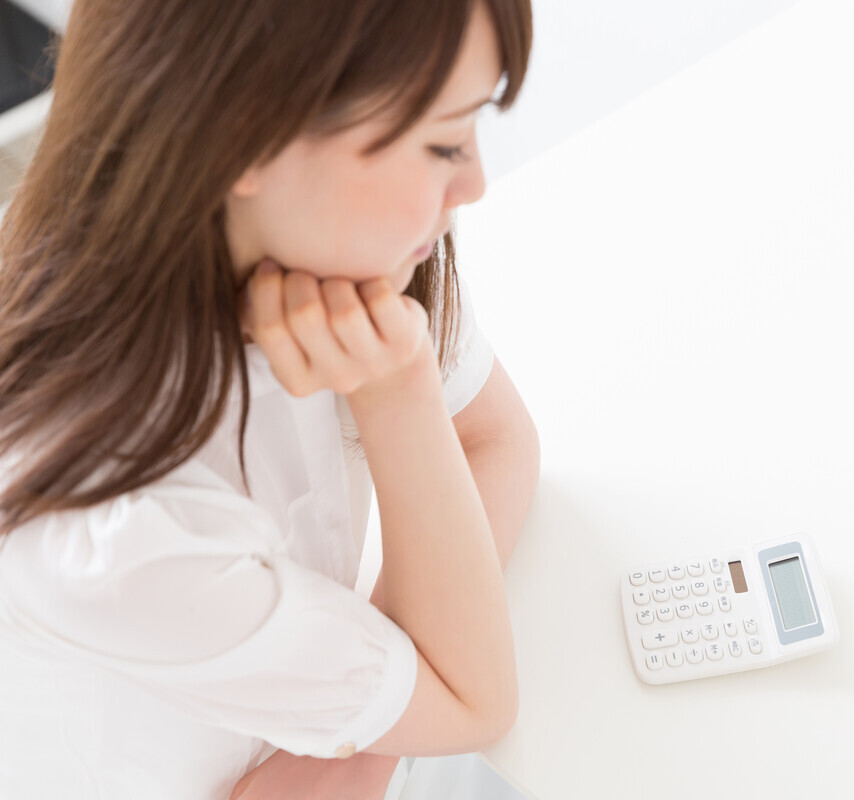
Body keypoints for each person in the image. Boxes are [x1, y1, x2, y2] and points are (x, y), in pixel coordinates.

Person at [0, 0, 537, 798]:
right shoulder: (115, 525)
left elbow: (497, 439)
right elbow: (477, 699)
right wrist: (398, 391)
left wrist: (346, 756)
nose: (474, 183)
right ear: (245, 137)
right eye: (443, 142)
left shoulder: (337, 244)